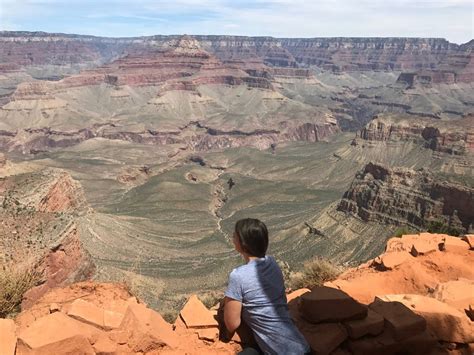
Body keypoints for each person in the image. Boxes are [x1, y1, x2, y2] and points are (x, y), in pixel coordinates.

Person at [223, 218, 310, 355]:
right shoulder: (272, 263)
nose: (232, 237)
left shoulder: (238, 276)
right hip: (302, 347)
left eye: (235, 235)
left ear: (243, 244)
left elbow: (232, 324)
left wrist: (226, 335)